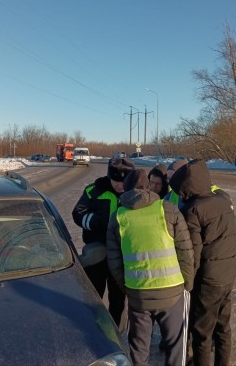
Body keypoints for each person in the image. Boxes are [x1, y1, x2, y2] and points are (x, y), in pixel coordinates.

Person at [106, 169, 195, 366]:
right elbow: (185, 251)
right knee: (175, 349)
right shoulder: (168, 210)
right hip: (172, 292)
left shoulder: (118, 217)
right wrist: (187, 283)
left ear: (126, 190)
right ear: (148, 188)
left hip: (138, 294)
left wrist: (127, 287)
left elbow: (114, 260)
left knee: (138, 350)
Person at [169, 159, 236, 366]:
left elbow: (193, 253)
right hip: (227, 274)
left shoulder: (193, 209)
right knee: (223, 328)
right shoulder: (223, 200)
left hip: (208, 280)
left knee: (202, 334)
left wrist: (188, 282)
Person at [72, 157, 135, 327]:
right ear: (109, 176)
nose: (119, 185)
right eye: (115, 180)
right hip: (96, 254)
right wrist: (96, 222)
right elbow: (78, 213)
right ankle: (92, 328)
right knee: (93, 295)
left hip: (121, 255)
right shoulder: (94, 190)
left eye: (123, 182)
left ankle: (116, 332)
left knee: (118, 298)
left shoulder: (134, 194)